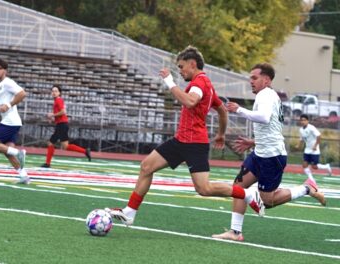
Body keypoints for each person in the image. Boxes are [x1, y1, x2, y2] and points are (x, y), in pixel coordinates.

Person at [105, 46, 265, 226]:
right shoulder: (206, 85)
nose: (180, 71)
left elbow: (190, 101)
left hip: (194, 143)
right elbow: (221, 110)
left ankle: (247, 194)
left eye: (181, 67)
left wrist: (169, 82)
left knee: (204, 189)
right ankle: (130, 212)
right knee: (146, 167)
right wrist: (220, 134)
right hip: (181, 140)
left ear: (192, 64)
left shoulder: (199, 83)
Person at [212, 63, 326, 241]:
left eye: (254, 78)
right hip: (260, 152)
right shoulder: (268, 95)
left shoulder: (266, 95)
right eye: (250, 78)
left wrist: (239, 109)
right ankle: (235, 232)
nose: (251, 81)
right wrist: (253, 141)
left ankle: (306, 189)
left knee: (268, 201)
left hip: (272, 157)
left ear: (266, 80)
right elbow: (272, 126)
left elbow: (264, 118)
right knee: (238, 187)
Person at [41, 85, 91, 168]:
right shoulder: (57, 100)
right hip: (61, 125)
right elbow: (61, 114)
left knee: (56, 144)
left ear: (59, 93)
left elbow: (63, 112)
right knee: (60, 145)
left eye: (56, 91)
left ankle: (47, 163)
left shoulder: (58, 100)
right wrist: (53, 118)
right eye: (53, 91)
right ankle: (85, 151)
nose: (54, 92)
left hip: (62, 125)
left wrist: (52, 115)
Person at [298, 114, 332, 181]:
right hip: (307, 150)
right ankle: (311, 179)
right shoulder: (301, 129)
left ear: (307, 121)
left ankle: (326, 166)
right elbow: (301, 138)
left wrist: (315, 146)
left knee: (314, 166)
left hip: (314, 150)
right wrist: (298, 145)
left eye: (304, 120)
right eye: (301, 120)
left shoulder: (311, 127)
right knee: (304, 165)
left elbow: (319, 136)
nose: (302, 122)